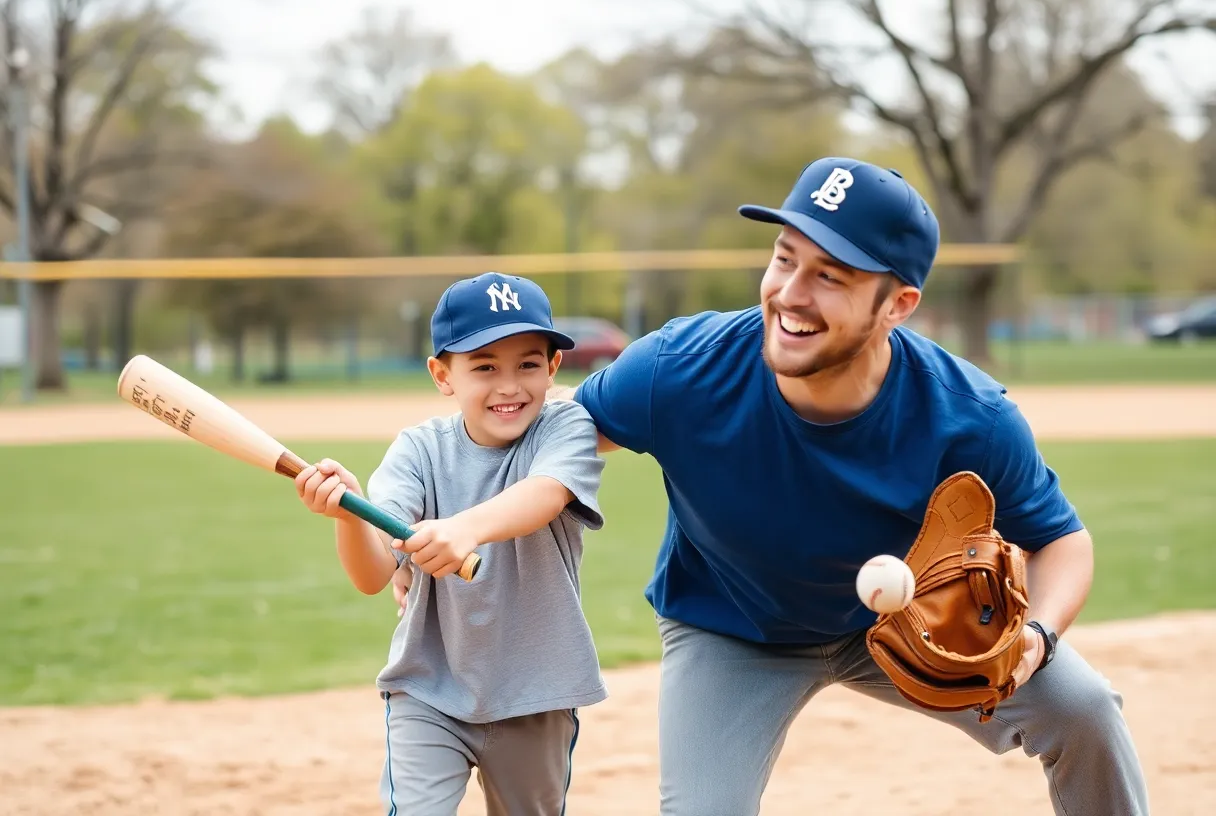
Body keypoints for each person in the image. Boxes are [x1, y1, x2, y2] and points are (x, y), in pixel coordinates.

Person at [395, 157, 1148, 814]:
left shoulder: (968, 417)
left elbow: (1060, 541)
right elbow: (549, 445)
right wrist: (438, 528)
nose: (791, 291)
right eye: (785, 257)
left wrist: (1037, 639)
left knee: (1084, 710)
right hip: (732, 632)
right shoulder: (681, 369)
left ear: (898, 306)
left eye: (831, 276)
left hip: (903, 630)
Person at [297, 272, 608, 816]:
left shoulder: (564, 427)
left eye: (528, 364)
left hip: (537, 692)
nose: (509, 386)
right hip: (427, 687)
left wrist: (462, 528)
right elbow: (373, 576)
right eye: (485, 366)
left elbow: (544, 494)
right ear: (443, 375)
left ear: (554, 367)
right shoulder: (418, 451)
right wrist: (346, 516)